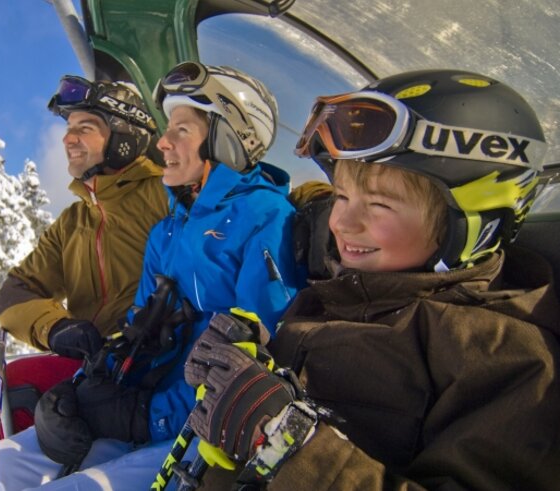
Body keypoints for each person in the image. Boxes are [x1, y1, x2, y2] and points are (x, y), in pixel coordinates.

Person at [185, 69, 560, 490]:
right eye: (341, 195)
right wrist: (250, 368)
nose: (342, 222)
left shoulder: (507, 360)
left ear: (472, 224)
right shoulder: (343, 293)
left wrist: (285, 444)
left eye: (379, 205)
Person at [0, 62, 303, 489]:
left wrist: (147, 416)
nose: (163, 143)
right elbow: (136, 330)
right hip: (153, 407)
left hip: (202, 429)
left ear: (225, 139)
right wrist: (81, 391)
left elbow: (252, 364)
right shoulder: (168, 230)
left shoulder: (265, 219)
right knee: (3, 467)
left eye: (181, 130)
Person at [0, 77, 168, 471]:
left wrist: (315, 202)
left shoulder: (164, 192)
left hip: (142, 364)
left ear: (124, 137)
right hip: (88, 361)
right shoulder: (74, 220)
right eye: (69, 129)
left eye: (85, 128)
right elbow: (16, 291)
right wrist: (55, 327)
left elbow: (240, 200)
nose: (69, 139)